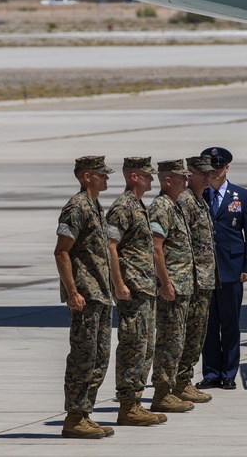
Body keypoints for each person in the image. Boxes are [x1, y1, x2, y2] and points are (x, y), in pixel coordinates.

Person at [53, 155, 116, 439]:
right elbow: (61, 251)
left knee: (99, 356)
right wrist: (72, 292)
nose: (106, 178)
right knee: (83, 356)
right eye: (101, 174)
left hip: (100, 294)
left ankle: (84, 414)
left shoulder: (94, 205)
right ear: (86, 176)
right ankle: (74, 417)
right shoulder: (76, 207)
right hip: (86, 295)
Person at [105, 157, 164, 427]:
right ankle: (128, 405)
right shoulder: (123, 207)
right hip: (132, 289)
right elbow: (111, 246)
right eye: (147, 175)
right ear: (134, 177)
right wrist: (119, 284)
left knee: (145, 346)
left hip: (145, 288)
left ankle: (135, 403)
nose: (152, 180)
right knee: (133, 345)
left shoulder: (138, 206)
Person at [196, 146, 247, 390]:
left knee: (230, 324)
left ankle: (229, 373)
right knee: (208, 324)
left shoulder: (241, 196)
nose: (214, 173)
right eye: (210, 169)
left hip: (232, 268)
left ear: (227, 168)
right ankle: (211, 373)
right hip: (204, 270)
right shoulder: (197, 196)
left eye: (218, 168)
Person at [147, 159, 197, 414]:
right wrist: (165, 283)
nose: (186, 181)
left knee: (178, 342)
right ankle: (162, 394)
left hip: (182, 285)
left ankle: (171, 389)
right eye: (181, 177)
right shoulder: (161, 207)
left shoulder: (174, 205)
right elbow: (156, 248)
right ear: (167, 180)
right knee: (168, 342)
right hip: (172, 287)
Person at [174, 155, 220, 404]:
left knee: (197, 333)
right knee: (186, 333)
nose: (207, 176)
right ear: (188, 174)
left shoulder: (200, 201)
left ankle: (184, 381)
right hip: (190, 280)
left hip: (203, 280)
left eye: (209, 172)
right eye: (201, 172)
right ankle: (179, 382)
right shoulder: (185, 201)